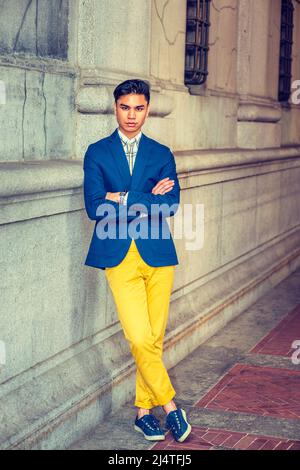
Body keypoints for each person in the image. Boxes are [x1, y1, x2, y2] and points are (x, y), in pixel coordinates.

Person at [83, 79, 191, 443]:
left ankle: (144, 414)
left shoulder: (162, 154)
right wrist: (146, 197)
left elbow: (171, 205)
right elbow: (95, 207)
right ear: (115, 107)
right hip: (118, 256)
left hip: (158, 254)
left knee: (154, 338)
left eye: (139, 108)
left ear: (148, 108)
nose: (132, 115)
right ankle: (172, 406)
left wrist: (124, 197)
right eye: (125, 107)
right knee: (139, 336)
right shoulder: (97, 152)